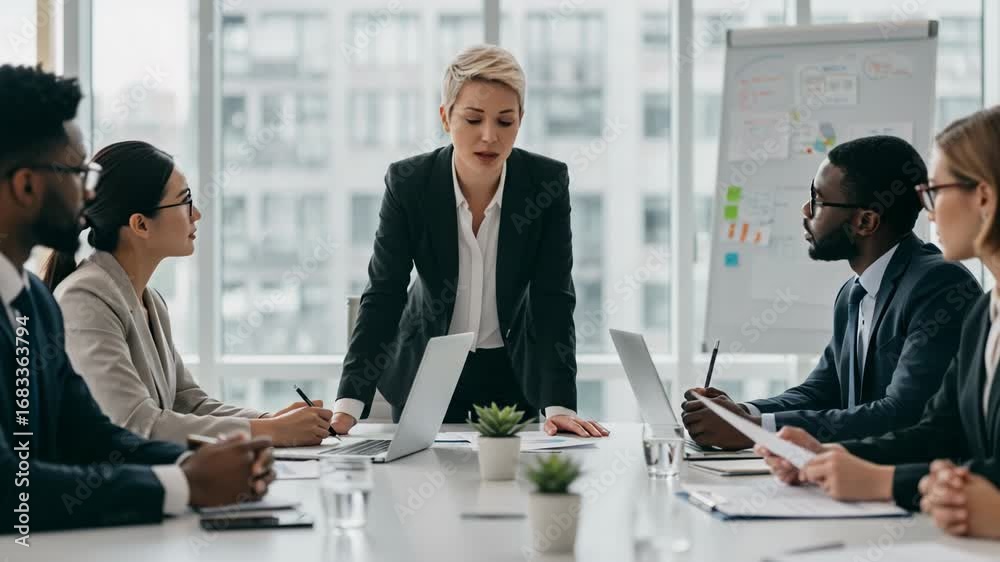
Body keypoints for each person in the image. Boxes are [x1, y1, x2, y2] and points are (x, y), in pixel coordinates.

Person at [0, 64, 273, 532]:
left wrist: (215, 462)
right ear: (27, 185)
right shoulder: (77, 297)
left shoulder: (34, 305)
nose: (89, 195)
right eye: (77, 173)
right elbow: (10, 487)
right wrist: (183, 484)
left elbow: (90, 435)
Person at [330, 45, 607, 438]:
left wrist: (559, 404)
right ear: (445, 116)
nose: (489, 137)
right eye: (473, 119)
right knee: (420, 489)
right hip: (425, 372)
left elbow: (553, 298)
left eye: (505, 121)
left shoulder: (544, 184)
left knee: (507, 492)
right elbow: (384, 293)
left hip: (513, 376)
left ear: (521, 121)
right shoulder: (411, 184)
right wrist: (348, 405)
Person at [757, 107, 1000, 539]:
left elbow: (920, 423)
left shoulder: (941, 285)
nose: (927, 213)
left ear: (983, 197)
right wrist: (826, 455)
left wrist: (884, 481)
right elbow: (939, 431)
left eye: (935, 193)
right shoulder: (986, 313)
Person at [680, 136, 979, 450]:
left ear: (866, 221)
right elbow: (822, 390)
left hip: (907, 487)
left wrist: (756, 430)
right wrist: (745, 413)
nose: (806, 209)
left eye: (818, 200)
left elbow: (903, 414)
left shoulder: (939, 285)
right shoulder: (853, 292)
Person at [41, 140, 334, 447]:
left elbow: (187, 401)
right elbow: (137, 424)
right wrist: (274, 432)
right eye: (185, 202)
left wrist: (267, 421)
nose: (196, 214)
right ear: (140, 224)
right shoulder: (84, 300)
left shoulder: (150, 300)